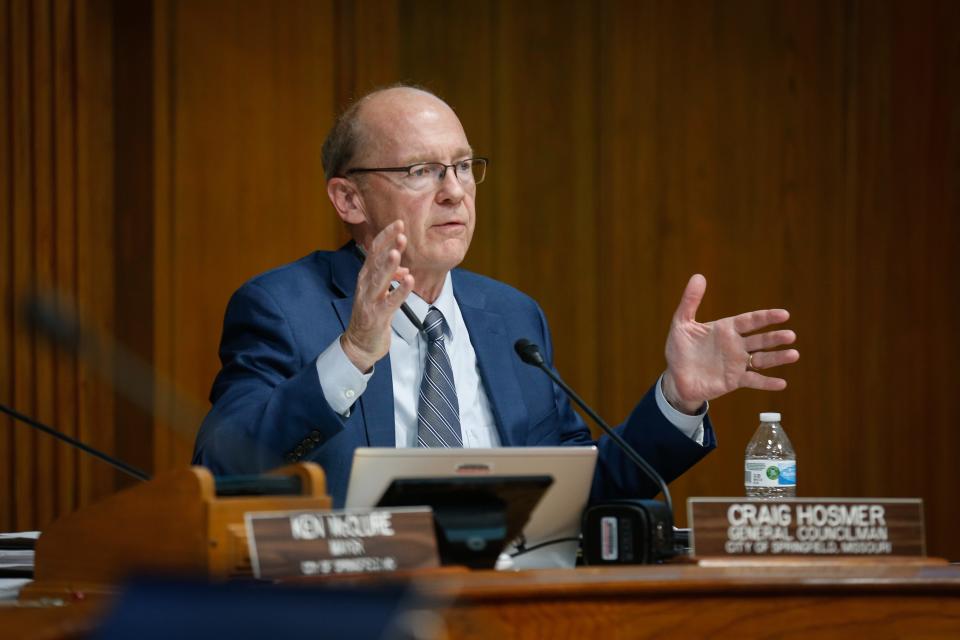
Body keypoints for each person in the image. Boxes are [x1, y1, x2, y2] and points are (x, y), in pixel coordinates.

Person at [192, 85, 799, 506]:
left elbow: (579, 491)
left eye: (462, 166)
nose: (455, 191)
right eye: (421, 171)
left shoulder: (510, 317)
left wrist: (677, 400)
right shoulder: (282, 307)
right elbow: (226, 467)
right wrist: (352, 352)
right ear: (349, 199)